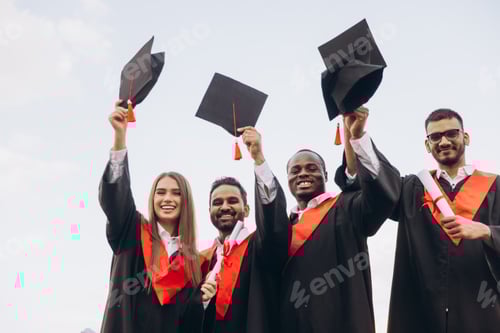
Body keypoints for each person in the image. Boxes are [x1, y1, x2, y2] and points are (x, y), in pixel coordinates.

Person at [336, 108, 500, 333]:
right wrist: (358, 136)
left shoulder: (495, 187)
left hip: (482, 312)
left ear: (466, 137)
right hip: (422, 314)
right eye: (435, 137)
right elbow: (382, 185)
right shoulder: (413, 189)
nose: (443, 141)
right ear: (427, 145)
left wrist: (487, 231)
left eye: (451, 133)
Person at [240, 108, 401, 332]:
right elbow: (269, 233)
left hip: (342, 322)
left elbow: (380, 199)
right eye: (295, 170)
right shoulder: (282, 229)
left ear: (325, 175)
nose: (303, 174)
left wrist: (357, 137)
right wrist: (259, 159)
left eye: (311, 168)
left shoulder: (345, 208)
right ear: (287, 180)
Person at [98, 101, 204, 332]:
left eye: (176, 193)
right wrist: (119, 138)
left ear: (186, 201)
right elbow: (116, 199)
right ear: (152, 198)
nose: (168, 199)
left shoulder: (192, 263)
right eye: (161, 192)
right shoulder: (132, 231)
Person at [199, 178, 282, 332]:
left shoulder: (260, 246)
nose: (224, 207)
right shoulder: (202, 260)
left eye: (232, 201)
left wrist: (259, 162)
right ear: (209, 210)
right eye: (217, 203)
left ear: (247, 209)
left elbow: (272, 222)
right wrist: (201, 301)